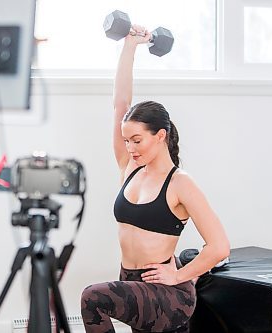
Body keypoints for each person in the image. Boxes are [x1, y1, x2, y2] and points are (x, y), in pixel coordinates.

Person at [80, 25, 230, 333]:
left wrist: (178, 276)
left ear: (160, 136)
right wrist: (130, 46)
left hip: (167, 294)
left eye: (137, 140)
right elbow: (120, 104)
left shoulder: (180, 183)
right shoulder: (130, 167)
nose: (129, 148)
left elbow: (219, 246)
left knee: (92, 298)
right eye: (126, 141)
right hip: (133, 284)